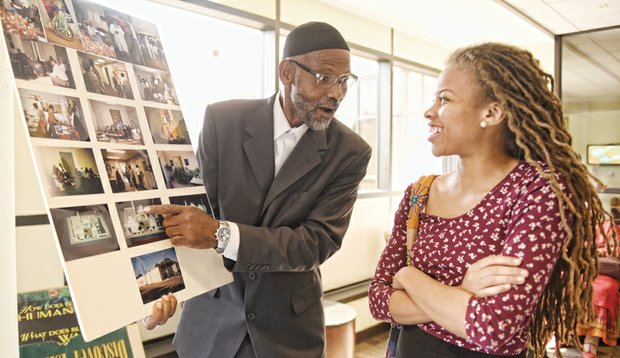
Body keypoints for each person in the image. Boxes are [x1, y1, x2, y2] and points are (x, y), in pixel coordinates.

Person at [368, 42, 615, 357]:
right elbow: (378, 300)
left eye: (444, 99)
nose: (430, 112)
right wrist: (462, 292)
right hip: (412, 347)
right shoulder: (420, 192)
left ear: (492, 112)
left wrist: (407, 276)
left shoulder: (537, 190)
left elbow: (493, 327)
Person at [143, 21, 371, 357]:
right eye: (323, 78)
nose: (336, 93)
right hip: (211, 320)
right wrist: (159, 294)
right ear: (287, 72)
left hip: (287, 331)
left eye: (344, 82)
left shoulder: (350, 152)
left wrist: (221, 234)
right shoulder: (223, 121)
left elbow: (315, 243)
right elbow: (193, 215)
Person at [578, 221, 620, 358]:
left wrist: (598, 252)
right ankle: (561, 336)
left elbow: (616, 248)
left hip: (603, 270)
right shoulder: (574, 224)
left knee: (604, 290)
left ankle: (591, 342)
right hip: (578, 269)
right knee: (568, 288)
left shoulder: (609, 226)